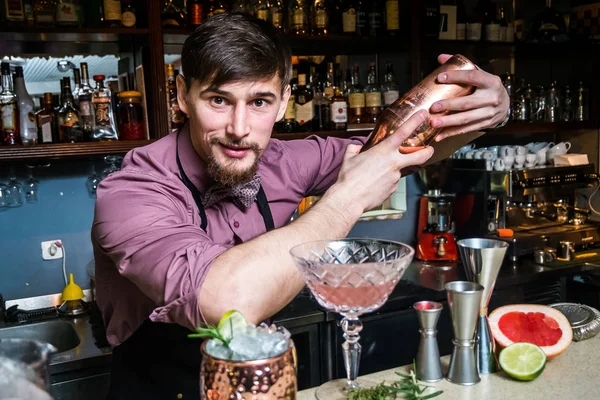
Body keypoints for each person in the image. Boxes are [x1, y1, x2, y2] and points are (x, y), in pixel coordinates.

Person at [91, 13, 510, 400]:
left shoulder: (284, 160)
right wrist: (346, 199)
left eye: (259, 102)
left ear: (285, 100)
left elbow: (398, 148)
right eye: (219, 100)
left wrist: (489, 114)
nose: (239, 129)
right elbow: (223, 301)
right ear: (183, 95)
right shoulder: (131, 192)